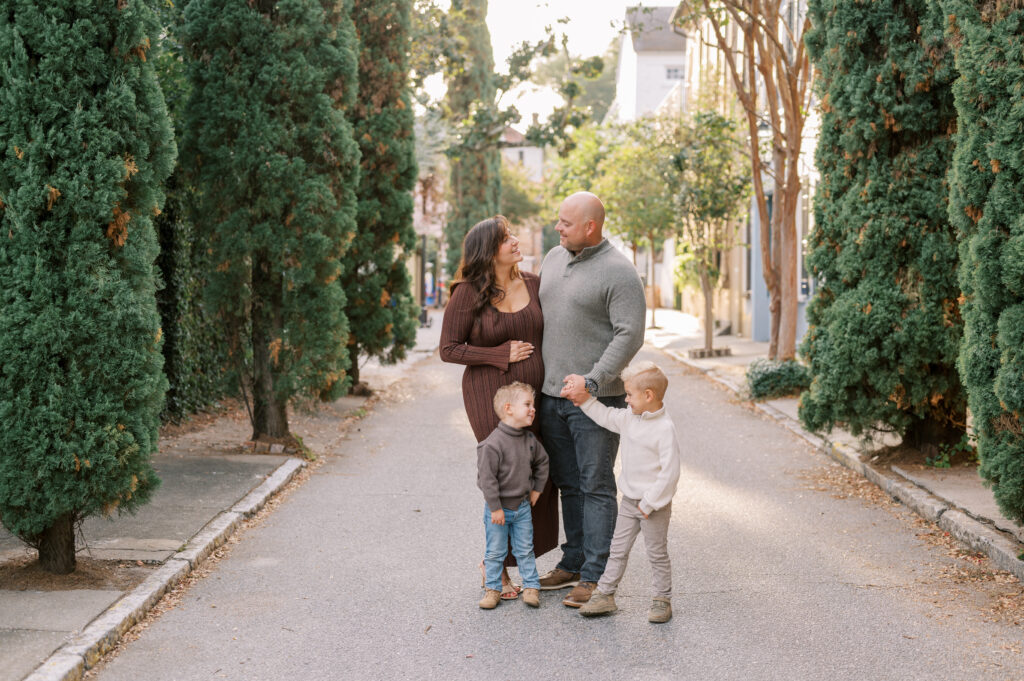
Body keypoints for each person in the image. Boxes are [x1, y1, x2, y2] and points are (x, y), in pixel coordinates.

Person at [440, 215, 559, 600]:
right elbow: (449, 349)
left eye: (512, 235)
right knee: (506, 477)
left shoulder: (536, 285)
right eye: (505, 238)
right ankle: (496, 569)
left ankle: (522, 564)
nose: (514, 241)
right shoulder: (468, 293)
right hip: (488, 396)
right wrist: (497, 354)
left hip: (536, 399)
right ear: (488, 250)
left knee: (539, 475)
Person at [537, 191, 646, 607]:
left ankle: (597, 578)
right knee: (569, 485)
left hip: (596, 403)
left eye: (565, 222)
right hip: (551, 398)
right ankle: (574, 562)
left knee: (596, 485)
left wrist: (594, 382)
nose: (557, 227)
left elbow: (630, 334)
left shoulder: (619, 272)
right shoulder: (552, 258)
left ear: (590, 226)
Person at [562, 362, 681, 623]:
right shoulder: (629, 417)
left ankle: (662, 599)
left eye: (629, 395)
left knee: (656, 553)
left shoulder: (664, 429)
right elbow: (606, 416)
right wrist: (584, 400)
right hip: (629, 502)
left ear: (648, 395)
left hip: (653, 507)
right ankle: (605, 594)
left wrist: (649, 504)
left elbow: (669, 474)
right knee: (617, 550)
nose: (625, 400)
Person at [477, 382, 549, 609]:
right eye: (527, 404)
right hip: (497, 510)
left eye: (533, 405)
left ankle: (531, 587)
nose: (533, 409)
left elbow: (542, 463)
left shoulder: (529, 441)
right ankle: (492, 589)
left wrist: (537, 488)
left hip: (522, 508)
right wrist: (495, 507)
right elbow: (486, 480)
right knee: (495, 551)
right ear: (509, 408)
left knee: (525, 549)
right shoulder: (492, 444)